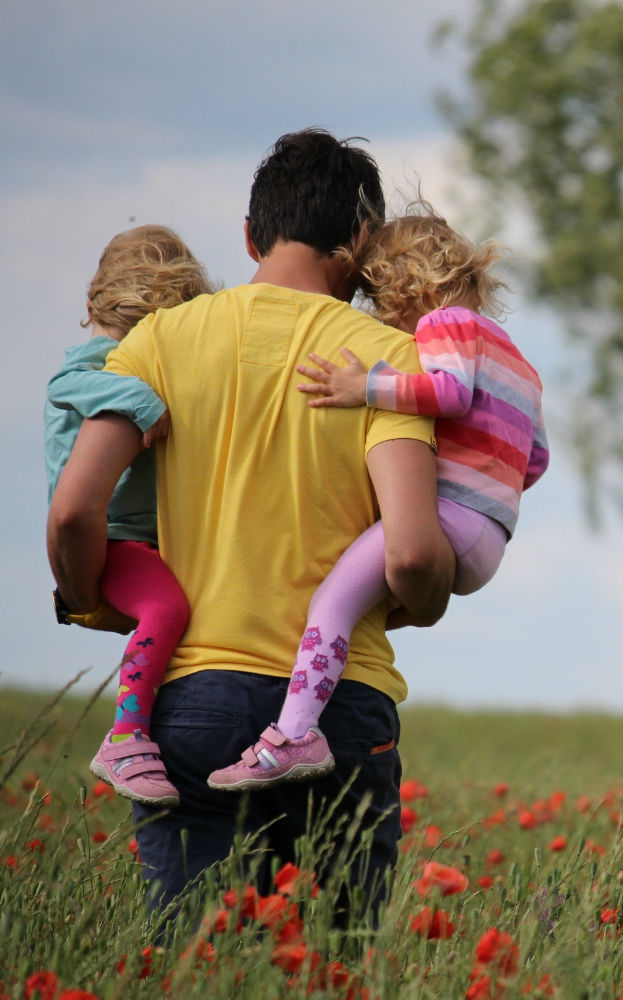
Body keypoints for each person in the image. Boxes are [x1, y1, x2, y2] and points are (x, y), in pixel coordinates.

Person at [47, 129, 455, 926]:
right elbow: (410, 552)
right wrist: (428, 596)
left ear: (249, 234)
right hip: (339, 708)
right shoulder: (387, 362)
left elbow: (72, 510)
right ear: (363, 241)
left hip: (192, 700)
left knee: (198, 961)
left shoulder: (160, 341)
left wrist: (89, 596)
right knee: (333, 968)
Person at [207, 204, 549, 790]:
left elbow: (448, 393)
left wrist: (364, 386)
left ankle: (294, 735)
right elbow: (535, 459)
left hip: (450, 518)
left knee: (330, 603)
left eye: (381, 298)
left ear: (408, 285)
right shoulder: (519, 361)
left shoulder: (446, 325)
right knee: (359, 608)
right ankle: (310, 707)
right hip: (491, 534)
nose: (382, 315)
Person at [45, 225, 215, 806]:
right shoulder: (98, 363)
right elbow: (67, 383)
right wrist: (142, 400)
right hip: (113, 538)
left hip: (142, 539)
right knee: (167, 607)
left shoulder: (126, 355)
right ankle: (126, 735)